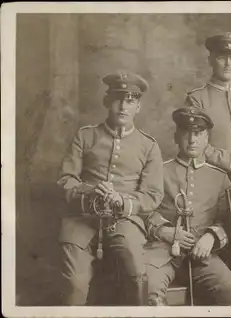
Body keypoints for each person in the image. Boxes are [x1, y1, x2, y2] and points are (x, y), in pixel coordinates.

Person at [56, 71, 164, 305]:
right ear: (107, 102)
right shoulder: (85, 136)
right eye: (118, 98)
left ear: (139, 106)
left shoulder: (149, 146)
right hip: (81, 220)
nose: (123, 106)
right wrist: (90, 193)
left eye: (131, 100)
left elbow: (153, 195)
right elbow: (66, 180)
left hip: (124, 220)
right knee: (74, 284)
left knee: (136, 271)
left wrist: (122, 201)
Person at [143, 107, 231, 306]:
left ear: (206, 138)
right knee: (149, 288)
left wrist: (211, 237)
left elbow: (227, 219)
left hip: (201, 252)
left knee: (228, 287)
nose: (192, 140)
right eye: (187, 133)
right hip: (162, 250)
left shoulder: (220, 177)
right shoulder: (159, 171)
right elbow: (145, 209)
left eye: (198, 133)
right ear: (176, 136)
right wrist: (165, 231)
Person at [184, 32, 231, 178]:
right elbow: (195, 143)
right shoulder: (197, 99)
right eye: (222, 58)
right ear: (211, 60)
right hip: (211, 179)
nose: (228, 64)